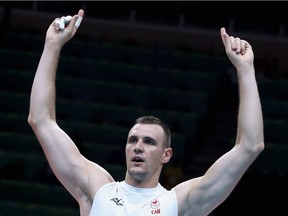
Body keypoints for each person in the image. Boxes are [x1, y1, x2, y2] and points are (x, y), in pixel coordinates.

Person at [28, 9, 264, 216]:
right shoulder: (97, 189)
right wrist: (52, 46)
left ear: (166, 154)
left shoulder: (180, 203)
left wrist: (245, 69)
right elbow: (41, 120)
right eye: (133, 140)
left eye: (149, 142)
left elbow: (250, 146)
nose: (138, 146)